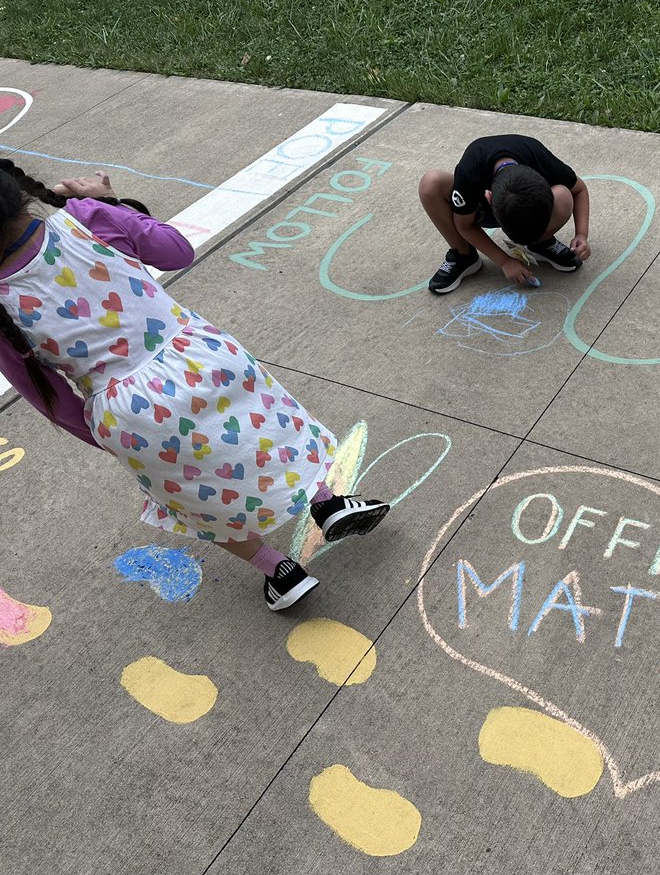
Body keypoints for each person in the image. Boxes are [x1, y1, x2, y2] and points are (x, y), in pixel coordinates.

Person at [0, 161, 389, 611]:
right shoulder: (84, 218)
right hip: (197, 357)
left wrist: (110, 439)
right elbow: (175, 251)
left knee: (200, 498)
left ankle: (280, 572)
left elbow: (51, 400)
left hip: (129, 412)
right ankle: (327, 504)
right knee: (269, 435)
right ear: (18, 191)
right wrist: (109, 203)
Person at [418, 134, 591, 294]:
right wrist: (504, 261)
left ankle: (540, 243)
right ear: (489, 197)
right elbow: (464, 225)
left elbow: (579, 189)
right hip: (480, 207)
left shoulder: (537, 155)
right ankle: (464, 256)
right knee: (430, 184)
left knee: (563, 195)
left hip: (521, 207)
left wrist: (581, 234)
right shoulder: (470, 171)